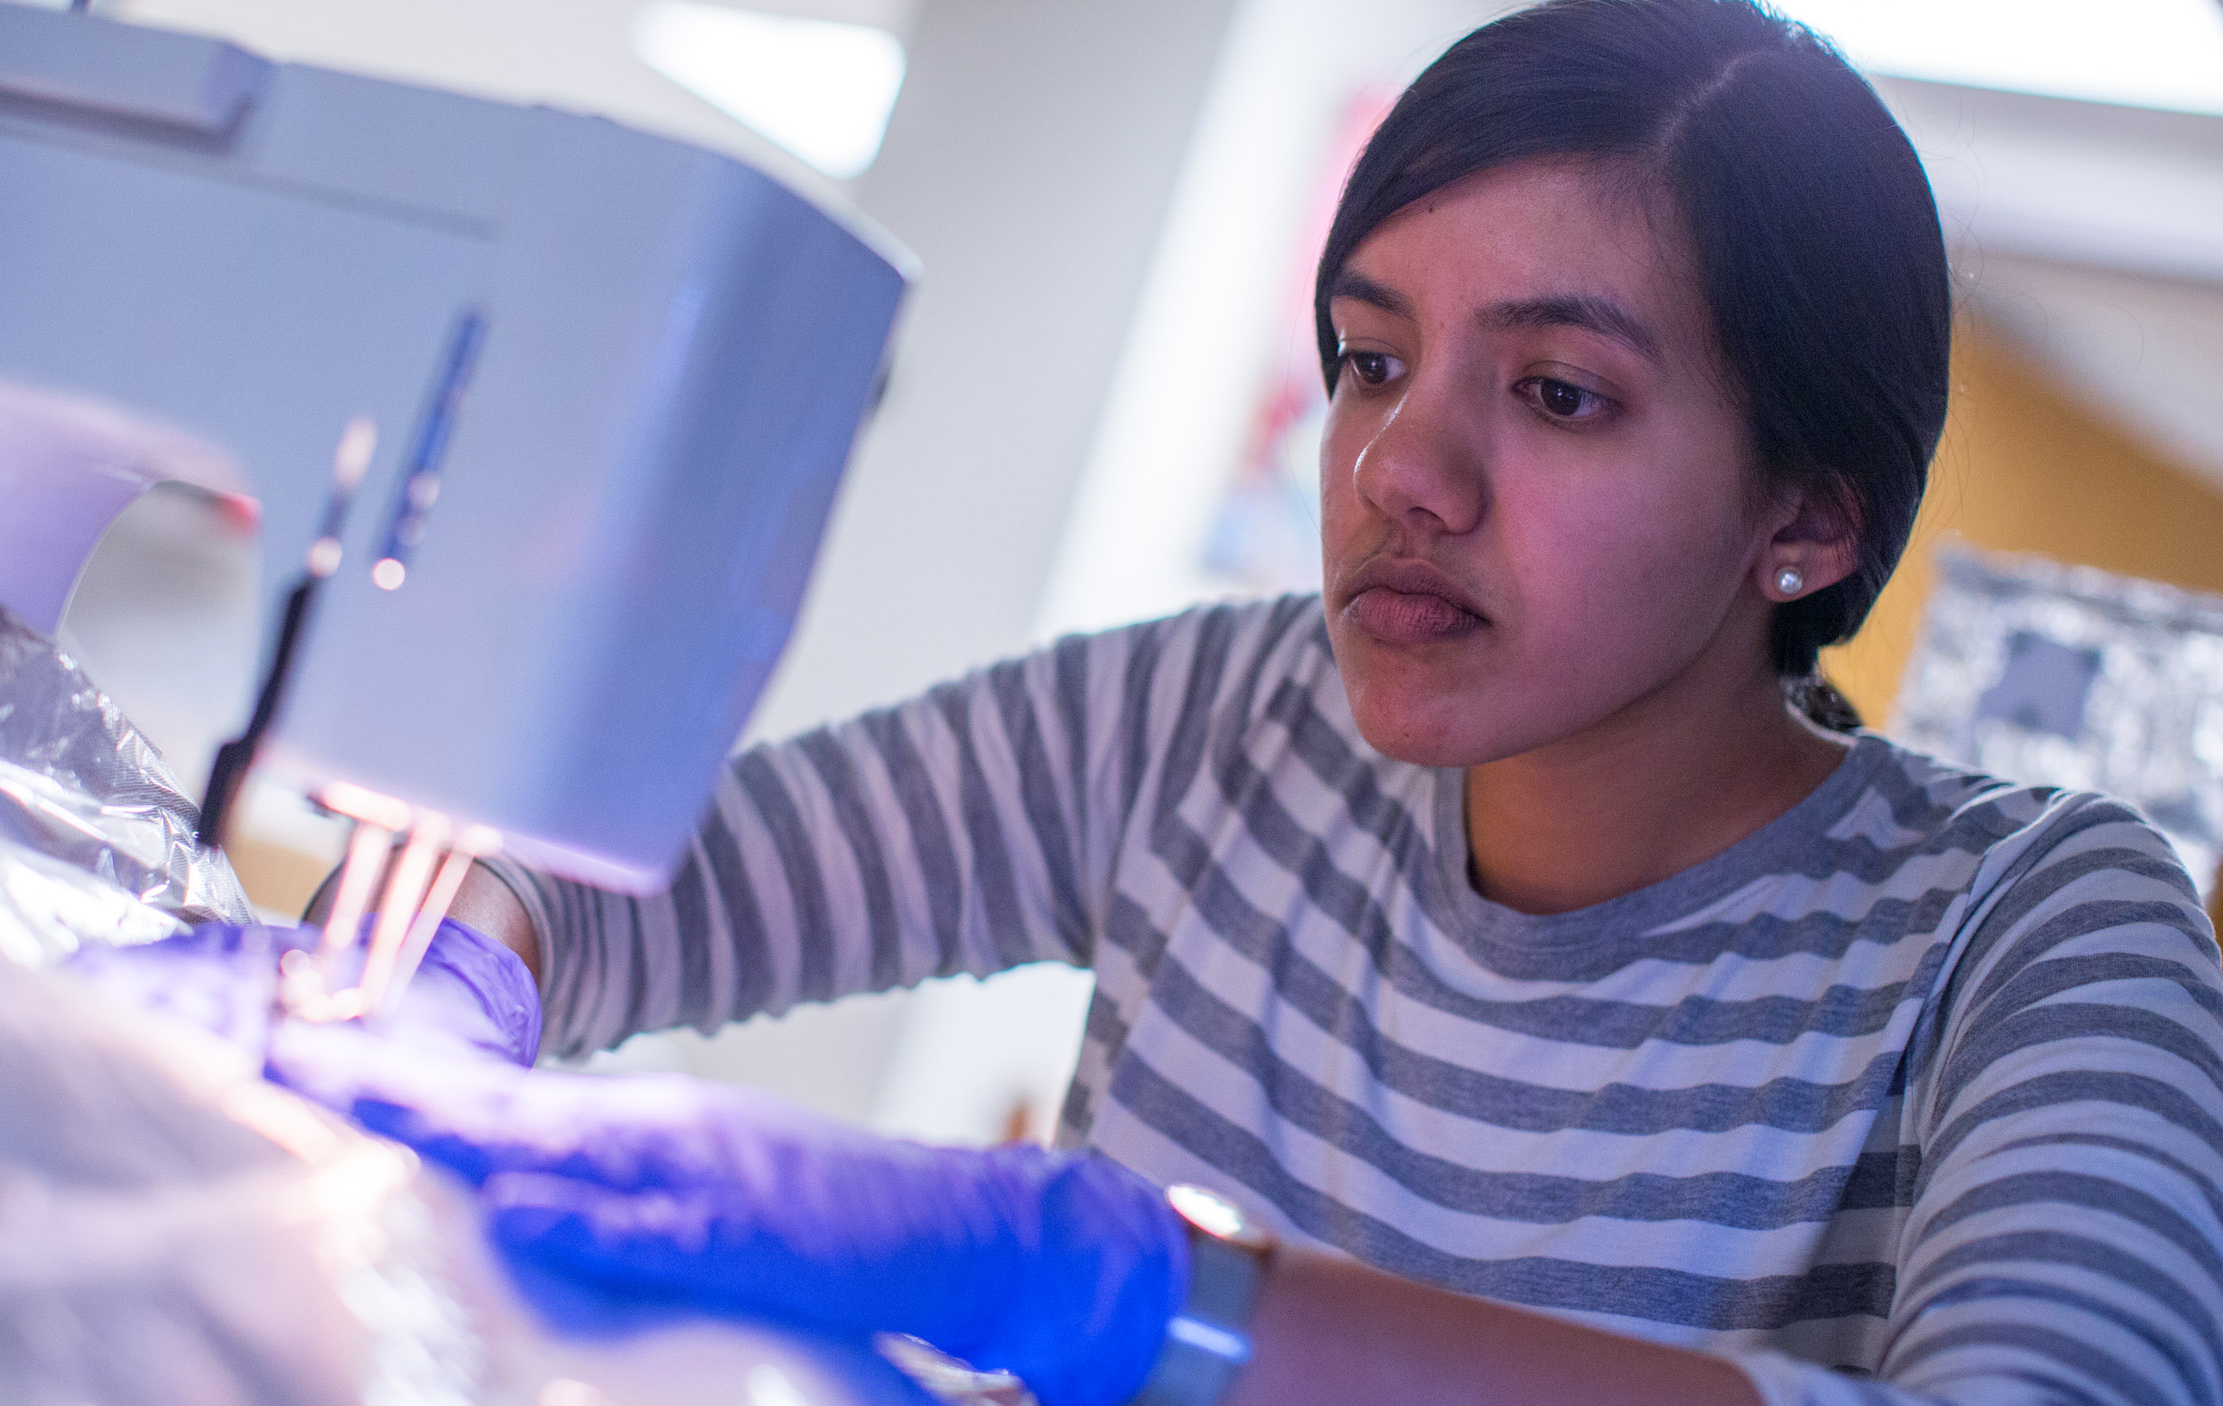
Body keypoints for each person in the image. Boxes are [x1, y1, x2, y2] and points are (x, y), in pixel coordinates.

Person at [281, 1, 2223, 1403]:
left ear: (1801, 516)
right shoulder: (1220, 720)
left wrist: (1153, 1300)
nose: (1398, 469)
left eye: (1554, 393)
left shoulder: (2027, 926)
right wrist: (442, 971)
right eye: (1371, 359)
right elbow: (642, 886)